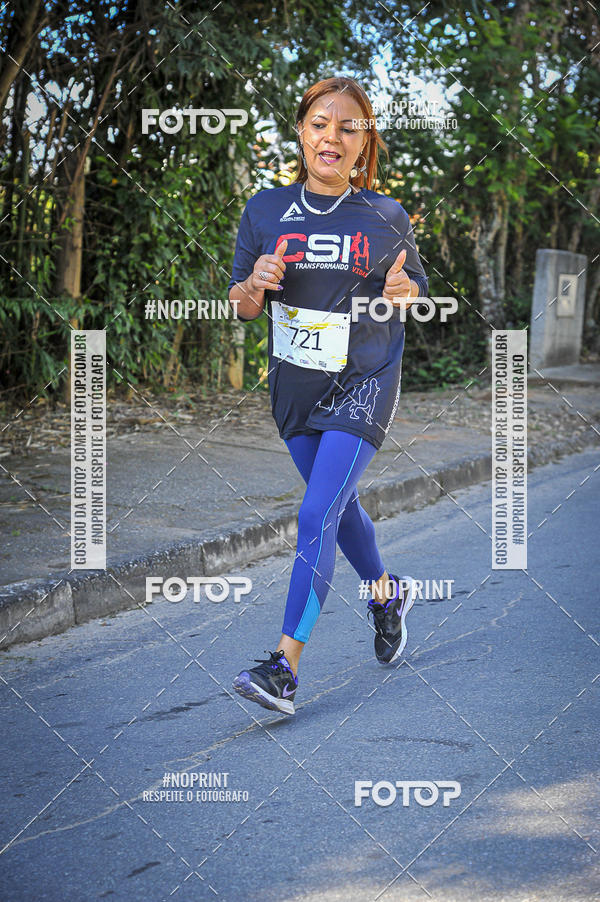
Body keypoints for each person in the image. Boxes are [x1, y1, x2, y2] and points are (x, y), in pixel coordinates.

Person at [228, 76, 428, 716]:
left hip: (365, 379)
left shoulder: (384, 215)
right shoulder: (264, 210)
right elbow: (240, 306)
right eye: (321, 124)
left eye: (349, 126)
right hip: (293, 389)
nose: (332, 137)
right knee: (338, 512)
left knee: (315, 515)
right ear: (302, 132)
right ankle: (386, 592)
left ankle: (284, 667)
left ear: (364, 140)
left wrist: (405, 294)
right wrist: (255, 284)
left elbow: (413, 291)